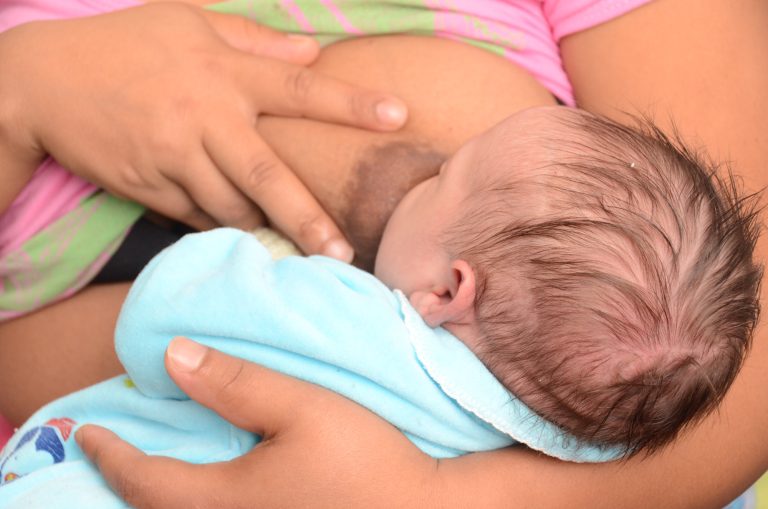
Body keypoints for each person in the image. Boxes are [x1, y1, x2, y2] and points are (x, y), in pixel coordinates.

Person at [0, 0, 766, 507]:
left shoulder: (337, 319)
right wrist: (19, 92)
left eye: (439, 175)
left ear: (450, 290)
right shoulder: (583, 428)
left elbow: (740, 343)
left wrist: (433, 500)